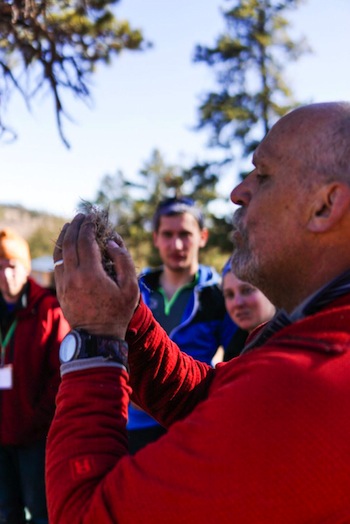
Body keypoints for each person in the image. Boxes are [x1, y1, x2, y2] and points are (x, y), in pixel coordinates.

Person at [47, 101, 350, 523]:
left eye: (262, 175)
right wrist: (128, 317)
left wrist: (94, 341)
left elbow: (86, 515)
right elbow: (211, 397)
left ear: (325, 205)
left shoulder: (309, 381)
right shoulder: (316, 331)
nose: (237, 192)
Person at [128, 197, 236, 452]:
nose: (176, 244)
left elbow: (235, 360)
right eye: (167, 234)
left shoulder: (221, 295)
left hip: (191, 422)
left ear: (203, 237)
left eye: (185, 234)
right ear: (155, 237)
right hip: (135, 425)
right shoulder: (134, 290)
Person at [0, 228, 70, 524]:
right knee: (6, 512)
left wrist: (36, 419)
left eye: (12, 265)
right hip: (1, 436)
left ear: (26, 267)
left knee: (41, 511)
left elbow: (62, 374)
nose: (5, 275)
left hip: (35, 437)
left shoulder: (49, 311)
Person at [221, 259, 275, 360]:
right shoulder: (234, 348)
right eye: (229, 294)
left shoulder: (294, 343)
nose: (237, 303)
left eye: (247, 290)